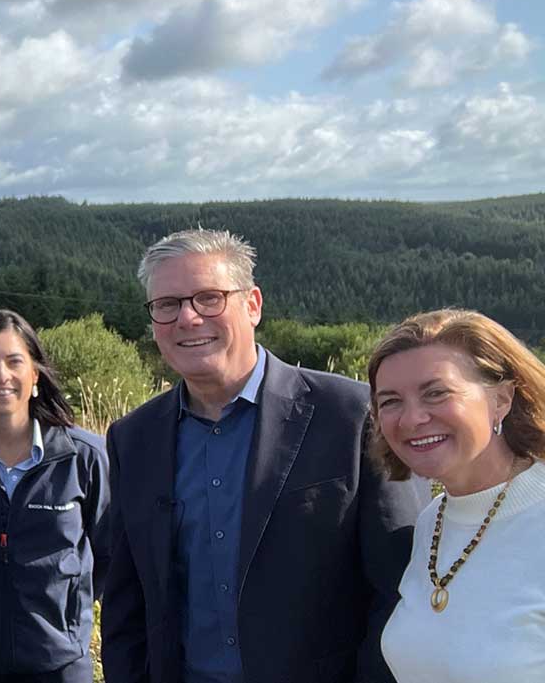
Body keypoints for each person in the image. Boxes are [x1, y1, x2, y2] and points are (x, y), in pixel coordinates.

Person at [100, 228, 422, 683]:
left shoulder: (350, 415)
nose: (188, 318)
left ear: (252, 304)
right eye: (167, 305)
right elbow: (127, 599)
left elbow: (397, 587)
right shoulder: (133, 437)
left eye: (209, 298)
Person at [369, 309, 545, 682]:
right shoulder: (433, 519)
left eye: (436, 393)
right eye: (390, 401)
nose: (411, 419)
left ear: (502, 399)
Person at [0, 310, 108, 683]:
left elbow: (116, 563)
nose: (1, 375)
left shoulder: (84, 456)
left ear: (35, 375)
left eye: (15, 361)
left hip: (61, 665)